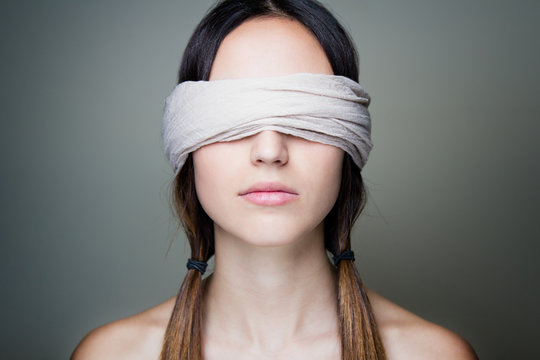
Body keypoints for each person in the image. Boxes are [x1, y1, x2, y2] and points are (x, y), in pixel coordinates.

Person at [71, 1, 478, 359]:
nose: (269, 150)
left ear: (348, 144)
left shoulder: (433, 354)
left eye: (306, 118)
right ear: (186, 142)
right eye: (234, 121)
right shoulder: (111, 355)